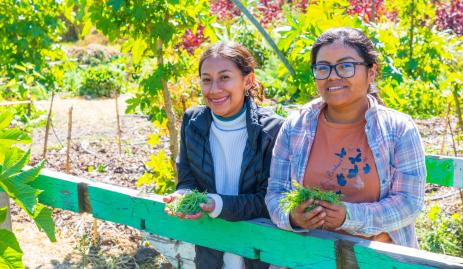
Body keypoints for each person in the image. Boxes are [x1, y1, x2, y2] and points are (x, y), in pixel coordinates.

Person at [266, 27, 426, 248]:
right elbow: (276, 194)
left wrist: (349, 216)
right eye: (323, 68)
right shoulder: (295, 126)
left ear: (371, 72)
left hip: (376, 259)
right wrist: (292, 216)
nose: (332, 75)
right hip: (307, 256)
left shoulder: (398, 129)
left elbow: (409, 203)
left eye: (345, 66)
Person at [163, 41, 284, 269]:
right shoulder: (193, 123)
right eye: (206, 80)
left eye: (225, 77)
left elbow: (270, 201)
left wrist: (217, 203)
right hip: (211, 252)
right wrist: (183, 194)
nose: (214, 89)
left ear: (247, 80)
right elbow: (188, 179)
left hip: (259, 255)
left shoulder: (272, 131)